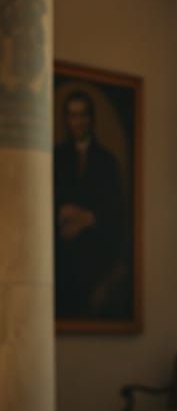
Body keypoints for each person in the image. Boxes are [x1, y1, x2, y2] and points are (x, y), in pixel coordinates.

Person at [54, 90, 127, 318]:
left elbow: (115, 212)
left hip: (96, 259)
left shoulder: (106, 161)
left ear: (91, 119)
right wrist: (61, 214)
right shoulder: (56, 158)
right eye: (73, 116)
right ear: (67, 119)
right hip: (62, 260)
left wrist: (87, 218)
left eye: (83, 115)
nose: (78, 122)